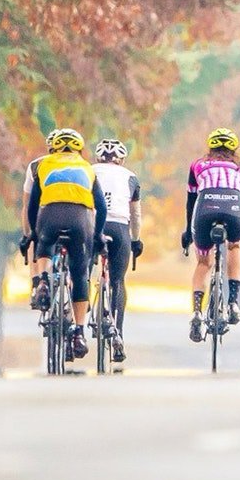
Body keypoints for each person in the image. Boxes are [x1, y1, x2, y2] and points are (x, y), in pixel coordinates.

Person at [22, 127, 106, 362]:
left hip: (50, 215)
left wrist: (33, 233)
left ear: (53, 148)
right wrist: (98, 235)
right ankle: (79, 332)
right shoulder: (87, 168)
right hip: (79, 219)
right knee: (80, 275)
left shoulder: (43, 165)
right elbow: (101, 207)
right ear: (79, 149)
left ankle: (45, 281)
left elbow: (32, 206)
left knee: (45, 245)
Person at [183, 127, 240, 343]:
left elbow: (191, 201)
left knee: (203, 262)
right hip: (234, 210)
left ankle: (196, 311)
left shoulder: (197, 165)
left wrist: (188, 231)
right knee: (234, 246)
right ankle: (233, 302)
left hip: (205, 209)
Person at [91, 138, 144, 365]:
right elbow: (136, 215)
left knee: (80, 271)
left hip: (92, 224)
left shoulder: (88, 171)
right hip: (120, 227)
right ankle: (118, 333)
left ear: (97, 158)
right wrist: (136, 240)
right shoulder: (131, 177)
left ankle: (75, 320)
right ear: (121, 159)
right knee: (118, 281)